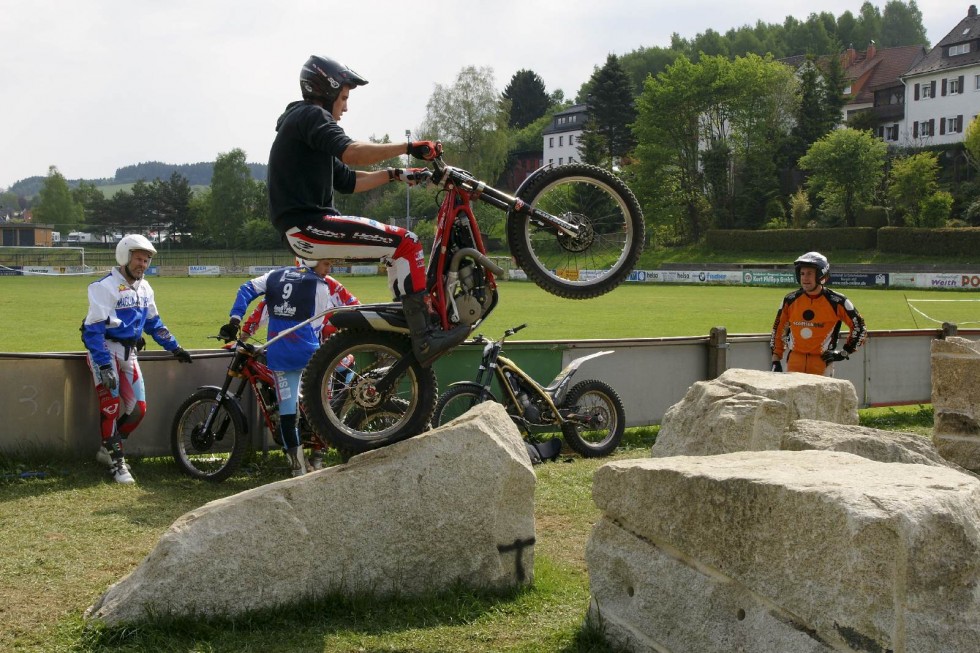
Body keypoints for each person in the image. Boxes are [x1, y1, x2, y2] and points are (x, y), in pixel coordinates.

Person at [267, 54, 467, 367]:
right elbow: (352, 153)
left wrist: (396, 174)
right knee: (407, 243)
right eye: (344, 98)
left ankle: (407, 325)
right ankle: (424, 336)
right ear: (328, 92)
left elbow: (347, 180)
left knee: (398, 251)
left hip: (306, 227)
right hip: (308, 226)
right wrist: (407, 147)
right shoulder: (311, 116)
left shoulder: (303, 127)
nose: (345, 107)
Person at [219, 259, 358, 476]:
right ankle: (318, 458)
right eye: (326, 263)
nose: (329, 268)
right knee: (323, 406)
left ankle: (297, 469)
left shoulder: (275, 275)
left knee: (287, 411)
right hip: (313, 353)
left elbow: (254, 301)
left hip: (280, 354)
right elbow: (344, 312)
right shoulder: (324, 284)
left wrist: (237, 323)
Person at [81, 234, 193, 484]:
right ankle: (117, 462)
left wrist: (175, 348)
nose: (142, 264)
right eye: (138, 259)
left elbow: (154, 324)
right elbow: (93, 330)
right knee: (110, 406)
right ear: (124, 256)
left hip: (130, 353)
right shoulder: (103, 287)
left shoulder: (145, 288)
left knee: (138, 410)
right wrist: (103, 365)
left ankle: (108, 449)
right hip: (106, 350)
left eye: (146, 260)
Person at [769, 251, 868, 376]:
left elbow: (860, 327)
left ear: (821, 276)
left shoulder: (837, 301)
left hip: (822, 363)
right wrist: (776, 360)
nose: (805, 278)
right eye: (802, 273)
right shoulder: (790, 300)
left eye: (810, 273)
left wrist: (845, 352)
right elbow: (778, 330)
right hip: (794, 361)